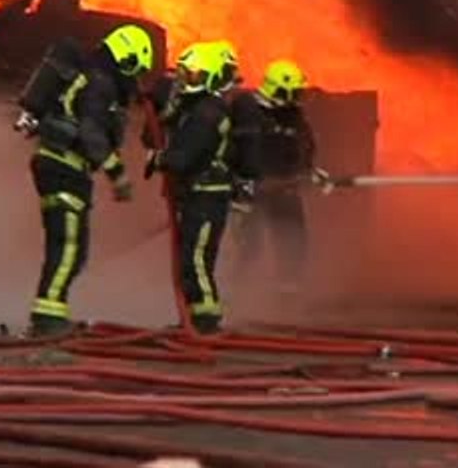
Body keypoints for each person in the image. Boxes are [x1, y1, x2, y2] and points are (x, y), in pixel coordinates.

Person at [27, 24, 154, 335]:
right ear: (126, 59)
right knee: (68, 245)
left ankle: (51, 311)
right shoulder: (101, 83)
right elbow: (90, 132)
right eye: (136, 68)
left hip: (62, 166)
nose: (135, 78)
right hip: (64, 167)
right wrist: (117, 173)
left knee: (73, 247)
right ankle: (47, 316)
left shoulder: (93, 76)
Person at [145, 42, 236, 333]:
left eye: (193, 75)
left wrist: (161, 159)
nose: (186, 81)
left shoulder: (209, 113)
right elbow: (155, 131)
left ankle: (206, 320)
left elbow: (184, 157)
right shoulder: (194, 107)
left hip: (208, 198)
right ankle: (194, 318)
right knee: (189, 258)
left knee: (195, 259)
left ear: (211, 78)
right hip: (195, 196)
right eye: (184, 74)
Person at [229, 59, 327, 294]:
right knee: (249, 246)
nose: (296, 99)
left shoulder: (293, 115)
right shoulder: (246, 110)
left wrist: (308, 169)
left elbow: (305, 145)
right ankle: (233, 291)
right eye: (292, 93)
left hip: (284, 188)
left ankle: (287, 289)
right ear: (276, 89)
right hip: (247, 191)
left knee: (293, 239)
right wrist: (242, 182)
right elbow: (235, 148)